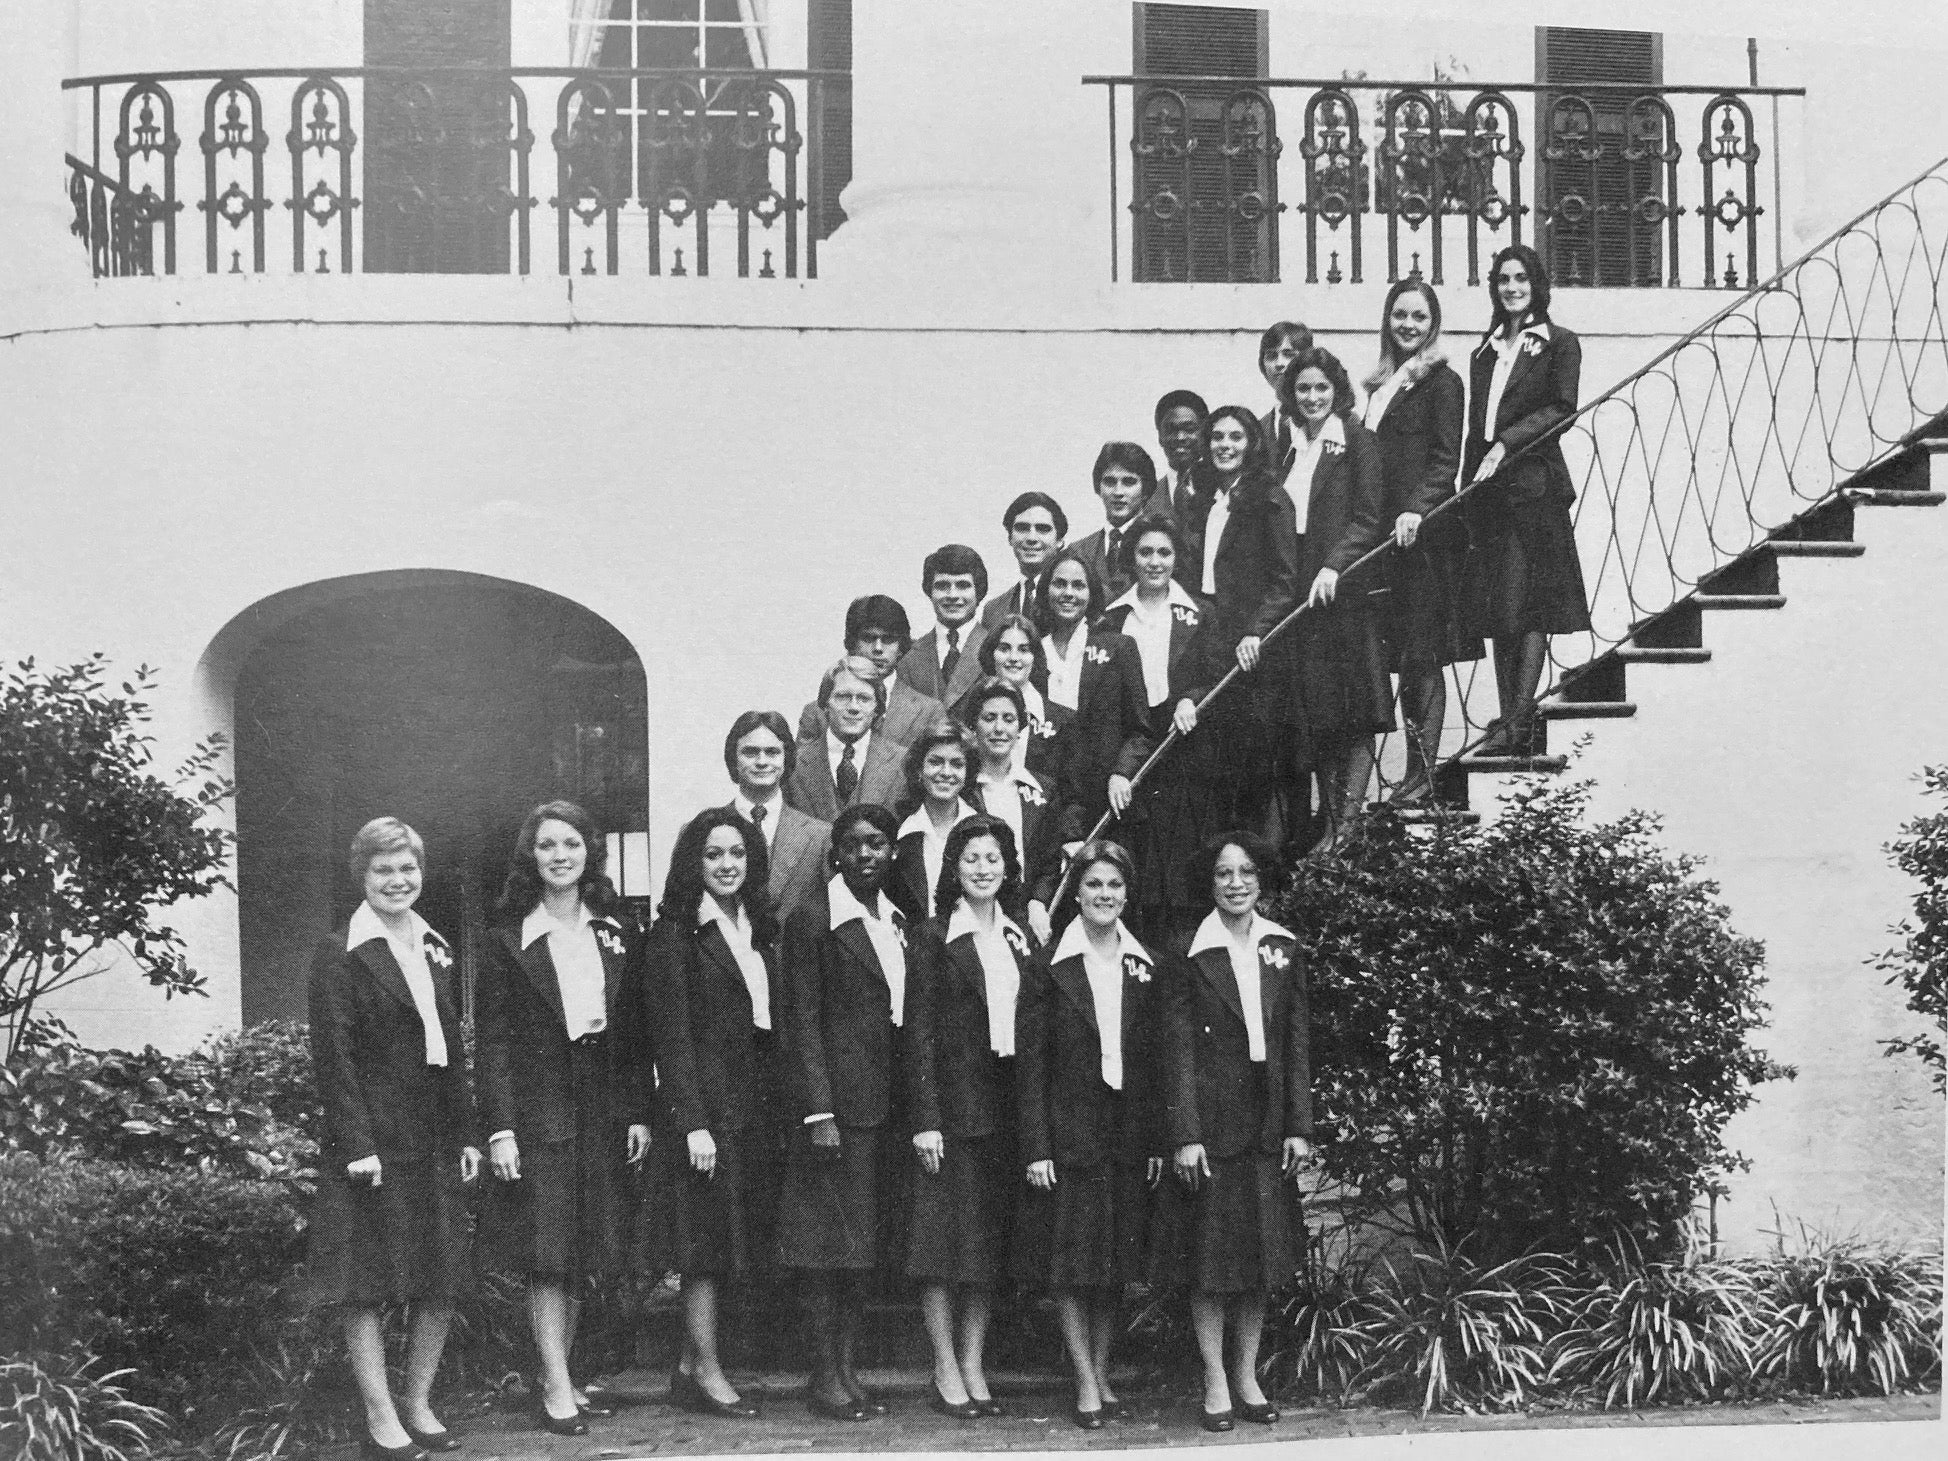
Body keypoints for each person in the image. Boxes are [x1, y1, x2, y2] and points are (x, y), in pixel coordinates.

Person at [478, 801, 651, 1436]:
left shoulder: (613, 932)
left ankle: (568, 1375)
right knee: (547, 1248)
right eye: (547, 845)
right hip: (538, 1109)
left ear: (588, 854)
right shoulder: (506, 941)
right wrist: (500, 1128)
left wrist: (637, 1112)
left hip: (601, 1104)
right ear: (532, 857)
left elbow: (632, 1035)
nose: (559, 855)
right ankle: (553, 1384)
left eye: (571, 844)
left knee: (583, 1245)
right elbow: (491, 1043)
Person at [307, 818, 478, 1461]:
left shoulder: (436, 944)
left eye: (408, 868)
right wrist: (357, 1144)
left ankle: (419, 1400)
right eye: (384, 870)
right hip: (374, 1136)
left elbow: (450, 1048)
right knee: (369, 1280)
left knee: (441, 1273)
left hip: (432, 1130)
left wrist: (464, 1130)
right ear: (363, 876)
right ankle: (380, 1414)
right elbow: (336, 1058)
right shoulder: (341, 950)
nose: (398, 880)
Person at [1157, 832, 1312, 1433]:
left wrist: (1298, 1125)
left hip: (1267, 1123)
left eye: (1246, 872)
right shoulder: (1187, 951)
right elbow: (1175, 1051)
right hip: (1212, 1125)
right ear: (1210, 882)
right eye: (1224, 873)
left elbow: (1298, 1042)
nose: (1236, 883)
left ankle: (1248, 1374)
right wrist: (1185, 1133)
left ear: (1261, 879)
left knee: (1260, 1259)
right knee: (1213, 1262)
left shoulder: (1284, 947)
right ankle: (1215, 1378)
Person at [1015, 840, 1165, 1430]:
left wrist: (1156, 1138)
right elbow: (1031, 1064)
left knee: (1115, 1262)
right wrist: (1037, 1147)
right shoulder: (1049, 965)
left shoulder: (1143, 964)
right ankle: (1083, 1379)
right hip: (1070, 1133)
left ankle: (1102, 1369)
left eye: (1115, 886)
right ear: (1075, 892)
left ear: (1127, 894)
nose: (1105, 896)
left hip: (1126, 1136)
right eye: (1094, 885)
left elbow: (1155, 1063)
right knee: (1074, 1263)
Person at [640, 809, 783, 1420]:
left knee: (725, 1239)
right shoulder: (674, 936)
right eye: (713, 855)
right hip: (704, 1113)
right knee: (703, 1246)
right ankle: (708, 1371)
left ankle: (685, 1366)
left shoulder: (758, 926)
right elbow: (670, 1038)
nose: (727, 866)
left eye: (737, 854)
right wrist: (693, 1121)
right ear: (692, 864)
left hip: (752, 1104)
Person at [776, 803, 914, 1422]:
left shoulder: (894, 919)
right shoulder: (813, 922)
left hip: (882, 1109)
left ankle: (848, 1369)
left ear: (891, 852)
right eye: (854, 845)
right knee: (826, 1249)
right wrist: (818, 1112)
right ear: (836, 854)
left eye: (878, 844)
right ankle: (823, 1376)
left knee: (859, 1247)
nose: (866, 855)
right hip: (834, 1112)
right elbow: (800, 1021)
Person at [903, 816, 1038, 1419]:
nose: (982, 869)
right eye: (970, 859)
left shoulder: (1020, 936)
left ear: (1007, 868)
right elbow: (919, 1036)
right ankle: (944, 1365)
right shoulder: (934, 937)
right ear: (953, 870)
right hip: (952, 1113)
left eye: (992, 859)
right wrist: (925, 1118)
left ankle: (975, 1361)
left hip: (1005, 1109)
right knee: (941, 1245)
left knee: (987, 1247)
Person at [1460, 243, 1592, 752]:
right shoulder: (1485, 350)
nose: (1511, 288)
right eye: (1502, 280)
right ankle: (1507, 718)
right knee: (1498, 606)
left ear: (1537, 285)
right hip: (1487, 494)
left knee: (1529, 604)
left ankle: (1519, 719)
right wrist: (1469, 484)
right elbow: (1478, 426)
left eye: (1521, 279)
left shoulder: (1559, 343)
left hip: (1533, 488)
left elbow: (1562, 408)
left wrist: (1506, 445)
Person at [1275, 346, 1394, 852]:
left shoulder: (1357, 442)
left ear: (1337, 390)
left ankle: (1346, 821)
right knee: (1319, 714)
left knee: (1358, 708)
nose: (1312, 397)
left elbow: (1369, 518)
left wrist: (1334, 565)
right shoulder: (1287, 450)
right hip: (1301, 602)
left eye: (1321, 387)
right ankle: (1330, 821)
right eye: (1303, 388)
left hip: (1343, 595)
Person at [1361, 279, 1478, 791]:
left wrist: (1416, 510)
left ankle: (1424, 772)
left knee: (1423, 654)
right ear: (1387, 319)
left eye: (1419, 317)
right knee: (1400, 655)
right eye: (1399, 315)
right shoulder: (1379, 384)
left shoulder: (1442, 382)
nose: (1408, 325)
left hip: (1423, 540)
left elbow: (1445, 460)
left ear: (1434, 325)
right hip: (1384, 542)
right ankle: (1414, 770)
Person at [1097, 514, 1228, 948]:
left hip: (1186, 753)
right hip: (1134, 757)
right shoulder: (1111, 622)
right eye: (1145, 552)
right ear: (1131, 557)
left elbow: (1213, 673)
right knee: (1139, 875)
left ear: (1177, 558)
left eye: (1164, 553)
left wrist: (1191, 696)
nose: (1155, 562)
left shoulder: (1200, 615)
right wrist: (1120, 766)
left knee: (1184, 872)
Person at [1177, 405, 1300, 839]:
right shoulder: (1207, 500)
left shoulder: (1269, 497)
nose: (1225, 446)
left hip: (1251, 646)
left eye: (1235, 437)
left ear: (1251, 444)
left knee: (1254, 763)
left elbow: (1286, 580)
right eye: (1217, 437)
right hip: (1209, 635)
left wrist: (1257, 631)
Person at [1033, 549, 1151, 844]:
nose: (1068, 593)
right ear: (1046, 589)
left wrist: (1122, 773)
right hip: (1046, 798)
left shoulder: (1118, 648)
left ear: (1092, 592)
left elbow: (1140, 730)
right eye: (1059, 584)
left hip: (1105, 797)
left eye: (1078, 585)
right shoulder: (1030, 653)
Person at [965, 676, 1059, 943]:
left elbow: (1050, 861)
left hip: (1025, 919)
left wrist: (1038, 903)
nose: (998, 728)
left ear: (1020, 727)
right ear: (973, 726)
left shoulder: (1043, 790)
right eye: (989, 718)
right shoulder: (961, 788)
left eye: (1008, 719)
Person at [722, 710, 831, 923]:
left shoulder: (821, 837)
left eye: (772, 752)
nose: (762, 761)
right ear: (733, 758)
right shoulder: (702, 831)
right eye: (750, 752)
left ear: (787, 758)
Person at [796, 595, 944, 749]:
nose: (878, 648)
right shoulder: (816, 713)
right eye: (868, 638)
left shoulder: (929, 712)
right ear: (852, 644)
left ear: (901, 647)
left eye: (888, 639)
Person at [786, 657, 907, 821]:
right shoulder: (794, 764)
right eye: (843, 697)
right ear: (825, 704)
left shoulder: (903, 762)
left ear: (877, 708)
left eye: (864, 699)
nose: (853, 708)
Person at [889, 719, 981, 923]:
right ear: (918, 770)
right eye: (936, 762)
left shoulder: (984, 829)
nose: (946, 773)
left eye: (957, 764)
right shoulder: (899, 831)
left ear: (968, 773)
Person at [956, 612, 1060, 782]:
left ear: (1035, 657)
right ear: (991, 654)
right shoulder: (965, 713)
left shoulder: (1064, 722)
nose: (1013, 658)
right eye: (1004, 649)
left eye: (1024, 650)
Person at [899, 545, 990, 707]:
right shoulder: (910, 657)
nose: (952, 595)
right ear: (929, 592)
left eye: (963, 585)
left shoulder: (996, 649)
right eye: (942, 586)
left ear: (979, 591)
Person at [1071, 443, 1159, 602]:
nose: (1118, 492)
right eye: (1110, 482)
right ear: (1098, 488)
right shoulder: (1078, 551)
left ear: (1145, 489)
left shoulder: (1161, 548)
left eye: (1129, 482)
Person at [981, 492, 1070, 630]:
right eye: (1022, 528)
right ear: (1010, 538)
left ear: (1059, 541)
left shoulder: (1077, 598)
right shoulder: (993, 610)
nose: (1031, 538)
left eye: (1043, 529)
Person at [1256, 320, 1314, 485]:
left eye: (1289, 354)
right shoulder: (1258, 429)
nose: (1279, 364)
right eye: (1271, 356)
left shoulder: (1332, 423)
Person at [1150, 389, 1209, 519]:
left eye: (1189, 429)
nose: (1180, 437)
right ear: (1160, 437)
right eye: (1171, 430)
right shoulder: (1146, 498)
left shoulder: (1223, 486)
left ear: (1205, 433)